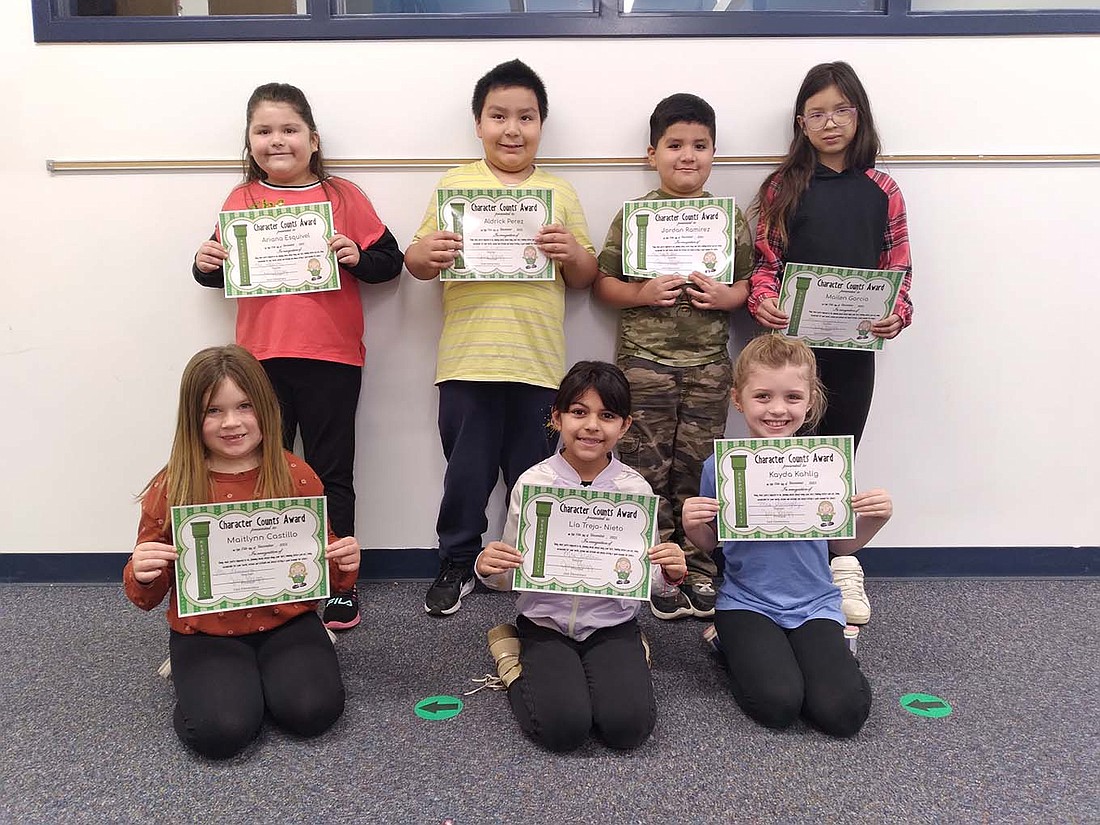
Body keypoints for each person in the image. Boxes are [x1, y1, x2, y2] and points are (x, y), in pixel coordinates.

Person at [192, 83, 403, 630]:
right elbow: (215, 272)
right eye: (263, 131)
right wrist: (204, 261)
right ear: (249, 141)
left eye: (288, 129)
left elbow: (389, 262)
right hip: (256, 364)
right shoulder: (242, 200)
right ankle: (260, 577)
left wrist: (357, 256)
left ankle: (338, 584)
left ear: (312, 138)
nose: (276, 140)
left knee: (333, 471)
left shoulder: (343, 196)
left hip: (332, 357)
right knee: (260, 469)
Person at [405, 59, 598, 616]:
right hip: (467, 361)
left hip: (538, 364)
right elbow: (416, 261)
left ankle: (530, 560)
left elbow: (585, 277)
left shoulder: (558, 192)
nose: (512, 129)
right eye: (499, 116)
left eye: (526, 117)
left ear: (542, 124)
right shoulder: (455, 184)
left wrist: (570, 253)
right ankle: (458, 561)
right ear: (478, 123)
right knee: (465, 474)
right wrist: (430, 253)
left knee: (533, 473)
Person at [123, 345, 361, 759]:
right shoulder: (172, 485)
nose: (231, 422)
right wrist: (141, 571)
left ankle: (264, 675)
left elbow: (324, 574)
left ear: (266, 410)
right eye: (213, 411)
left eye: (245, 406)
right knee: (221, 732)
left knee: (312, 712)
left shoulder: (296, 476)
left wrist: (343, 563)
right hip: (206, 629)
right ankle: (213, 679)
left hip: (287, 621)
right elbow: (147, 596)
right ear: (192, 418)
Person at [747, 61, 913, 625]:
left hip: (853, 352)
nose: (830, 122)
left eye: (841, 110)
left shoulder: (882, 188)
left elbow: (899, 268)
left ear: (859, 115)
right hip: (789, 354)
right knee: (785, 455)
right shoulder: (781, 187)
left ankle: (838, 564)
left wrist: (898, 313)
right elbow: (766, 265)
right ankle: (774, 569)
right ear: (801, 122)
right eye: (817, 113)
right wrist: (762, 302)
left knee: (835, 454)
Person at [593, 93, 752, 622]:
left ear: (714, 153)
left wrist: (729, 296)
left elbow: (752, 282)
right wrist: (640, 294)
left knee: (701, 473)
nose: (688, 156)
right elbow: (602, 284)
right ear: (651, 153)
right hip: (643, 362)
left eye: (700, 146)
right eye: (675, 145)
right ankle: (658, 570)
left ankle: (701, 569)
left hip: (709, 365)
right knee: (644, 469)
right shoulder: (634, 216)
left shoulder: (729, 219)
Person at [683, 335, 891, 737]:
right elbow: (715, 544)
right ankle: (728, 642)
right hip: (747, 602)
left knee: (842, 714)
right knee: (777, 706)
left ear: (810, 400)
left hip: (814, 602)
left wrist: (875, 520)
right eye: (762, 396)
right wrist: (694, 527)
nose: (777, 409)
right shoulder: (721, 466)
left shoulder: (826, 464)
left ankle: (828, 652)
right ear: (738, 399)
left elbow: (839, 546)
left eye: (792, 397)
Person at [475, 361, 687, 752]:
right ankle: (510, 661)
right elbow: (510, 575)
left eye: (607, 415)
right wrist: (487, 568)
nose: (592, 425)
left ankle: (630, 651)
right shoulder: (534, 483)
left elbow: (647, 581)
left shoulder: (634, 488)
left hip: (612, 622)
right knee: (562, 731)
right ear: (557, 418)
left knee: (627, 730)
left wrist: (670, 575)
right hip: (545, 623)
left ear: (624, 426)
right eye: (579, 412)